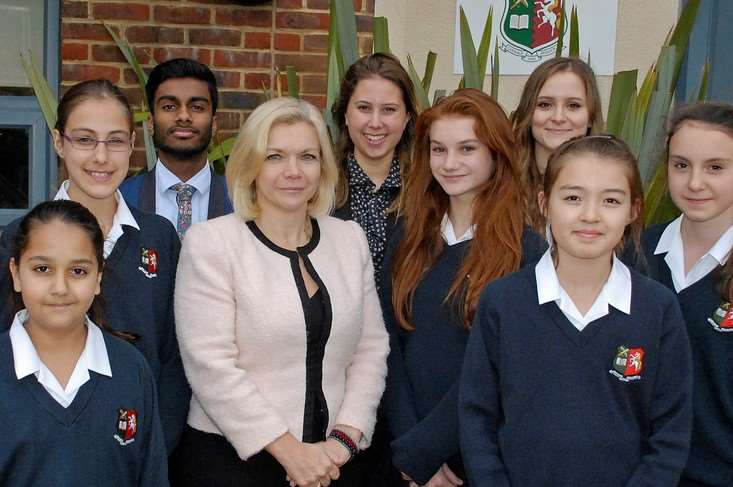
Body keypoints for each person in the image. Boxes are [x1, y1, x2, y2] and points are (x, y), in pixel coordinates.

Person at [170, 97, 389, 487]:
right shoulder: (212, 244)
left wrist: (343, 441)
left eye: (307, 156)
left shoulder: (348, 239)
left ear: (323, 166)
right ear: (251, 165)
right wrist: (290, 452)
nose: (293, 171)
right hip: (235, 463)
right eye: (274, 157)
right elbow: (211, 365)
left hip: (336, 463)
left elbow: (370, 349)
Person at [459, 135, 693, 486]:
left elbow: (671, 433)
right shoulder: (503, 303)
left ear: (633, 210)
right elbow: (477, 417)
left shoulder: (657, 308)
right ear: (544, 203)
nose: (590, 215)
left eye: (611, 200)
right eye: (572, 197)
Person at [0, 79, 188, 454]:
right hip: (38, 450)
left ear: (133, 147)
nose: (101, 157)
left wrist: (155, 446)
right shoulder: (18, 238)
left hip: (134, 449)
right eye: (84, 139)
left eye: (115, 140)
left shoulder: (158, 238)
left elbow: (175, 356)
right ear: (58, 142)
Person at [381, 89, 545, 487]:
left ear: (495, 153)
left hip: (473, 460)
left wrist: (434, 452)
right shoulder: (406, 235)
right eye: (438, 149)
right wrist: (409, 449)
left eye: (467, 148)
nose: (449, 163)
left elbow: (502, 368)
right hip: (401, 453)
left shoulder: (527, 252)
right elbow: (384, 343)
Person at [0, 200, 168, 486]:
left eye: (78, 271)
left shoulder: (130, 369)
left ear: (99, 277)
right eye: (42, 269)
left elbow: (151, 476)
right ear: (16, 273)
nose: (60, 287)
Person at [640, 103, 733, 486]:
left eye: (715, 167)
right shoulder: (634, 254)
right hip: (640, 473)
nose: (695, 183)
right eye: (681, 165)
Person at [120, 58, 233, 239]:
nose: (183, 116)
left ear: (213, 124)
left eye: (197, 107)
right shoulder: (121, 199)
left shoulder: (242, 201)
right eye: (169, 106)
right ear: (150, 122)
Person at [331, 52, 419, 280]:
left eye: (389, 109)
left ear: (407, 117)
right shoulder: (319, 186)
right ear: (346, 114)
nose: (376, 123)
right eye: (364, 108)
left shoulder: (426, 188)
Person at [512, 57, 603, 231]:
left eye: (573, 105)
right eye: (545, 105)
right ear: (528, 112)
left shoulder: (611, 185)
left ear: (590, 116)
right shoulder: (501, 184)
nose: (558, 117)